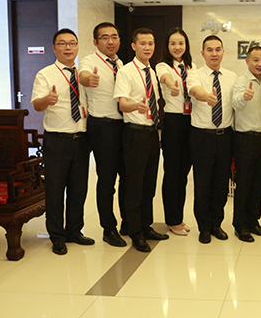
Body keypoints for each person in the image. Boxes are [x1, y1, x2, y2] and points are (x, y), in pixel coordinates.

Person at [32, 28, 93, 255]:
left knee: (79, 189)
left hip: (82, 138)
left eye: (72, 43)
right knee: (56, 190)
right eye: (62, 43)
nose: (68, 47)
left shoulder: (84, 75)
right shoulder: (45, 74)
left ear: (77, 47)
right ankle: (57, 236)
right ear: (54, 48)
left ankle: (74, 231)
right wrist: (47, 100)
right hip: (57, 140)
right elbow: (36, 105)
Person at [114, 28, 169, 253]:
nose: (147, 47)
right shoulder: (126, 71)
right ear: (134, 46)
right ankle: (135, 233)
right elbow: (122, 104)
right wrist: (134, 105)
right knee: (134, 186)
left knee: (149, 184)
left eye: (151, 43)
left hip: (151, 133)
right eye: (143, 43)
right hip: (134, 133)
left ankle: (146, 226)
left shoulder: (152, 72)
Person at [79, 22, 127, 248]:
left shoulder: (121, 63)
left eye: (114, 37)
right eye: (105, 37)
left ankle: (128, 223)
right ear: (95, 41)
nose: (110, 41)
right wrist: (89, 80)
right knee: (107, 179)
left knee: (126, 177)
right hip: (102, 126)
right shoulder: (90, 61)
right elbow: (83, 75)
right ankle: (109, 228)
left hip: (124, 125)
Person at [188, 35, 236, 244]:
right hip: (202, 137)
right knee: (202, 183)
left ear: (223, 52)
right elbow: (194, 90)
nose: (214, 53)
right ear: (202, 53)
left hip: (225, 136)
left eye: (218, 49)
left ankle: (217, 224)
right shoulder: (195, 74)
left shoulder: (232, 77)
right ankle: (204, 227)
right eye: (209, 50)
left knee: (221, 184)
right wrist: (205, 96)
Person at [231, 46, 261, 242]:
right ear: (247, 61)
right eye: (256, 60)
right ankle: (240, 225)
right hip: (245, 139)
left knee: (257, 184)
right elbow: (235, 102)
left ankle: (254, 221)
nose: (260, 64)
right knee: (244, 184)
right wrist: (243, 98)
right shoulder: (241, 81)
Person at [156, 28, 194, 236]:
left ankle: (178, 217)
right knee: (172, 172)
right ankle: (172, 219)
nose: (177, 47)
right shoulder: (163, 66)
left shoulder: (191, 67)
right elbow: (164, 78)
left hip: (191, 121)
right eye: (173, 43)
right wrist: (172, 84)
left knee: (184, 173)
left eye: (181, 43)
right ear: (167, 46)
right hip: (173, 122)